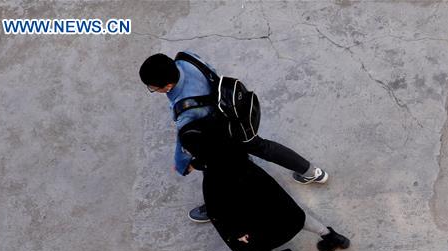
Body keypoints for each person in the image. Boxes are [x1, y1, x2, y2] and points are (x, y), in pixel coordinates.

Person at [139, 52, 329, 223]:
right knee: (259, 146)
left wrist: (182, 164)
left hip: (224, 133)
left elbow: (184, 141)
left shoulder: (186, 110)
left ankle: (214, 209)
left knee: (216, 172)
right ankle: (312, 172)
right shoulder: (186, 58)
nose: (153, 90)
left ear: (168, 86)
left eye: (153, 88)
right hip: (237, 107)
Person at [179, 116, 349, 251]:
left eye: (187, 148)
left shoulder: (215, 181)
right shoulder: (236, 152)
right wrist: (197, 163)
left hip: (249, 219)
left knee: (240, 247)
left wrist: (238, 233)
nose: (184, 150)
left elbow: (221, 212)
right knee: (295, 216)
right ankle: (329, 235)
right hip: (269, 198)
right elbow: (218, 154)